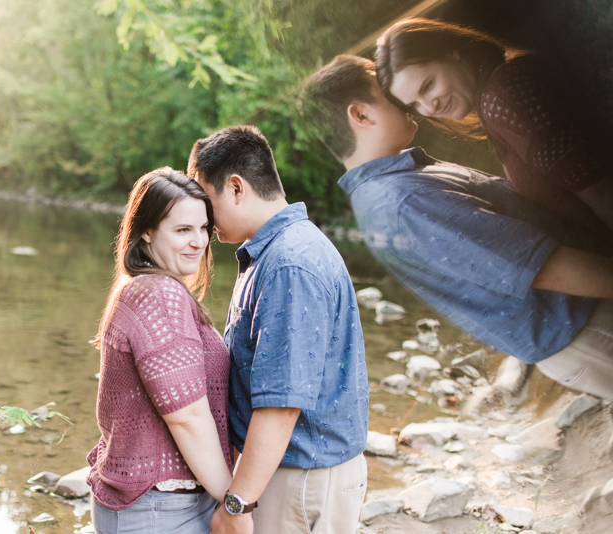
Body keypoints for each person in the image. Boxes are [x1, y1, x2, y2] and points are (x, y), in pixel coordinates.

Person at [300, 54, 613, 401]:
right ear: (361, 114)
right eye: (389, 93)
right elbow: (540, 267)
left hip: (582, 315)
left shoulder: (398, 181)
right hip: (585, 325)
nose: (409, 102)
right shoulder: (403, 201)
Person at [186, 125, 369, 534]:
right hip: (296, 472)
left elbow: (281, 404)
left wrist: (237, 505)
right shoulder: (276, 251)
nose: (201, 217)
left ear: (236, 188)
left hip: (300, 479)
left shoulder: (289, 264)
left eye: (205, 200)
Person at [86, 167, 233, 534]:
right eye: (183, 230)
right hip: (161, 510)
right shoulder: (159, 294)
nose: (198, 241)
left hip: (156, 506)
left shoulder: (143, 287)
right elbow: (187, 417)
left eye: (203, 228)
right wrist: (234, 503)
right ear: (147, 231)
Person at [373, 18, 613, 238]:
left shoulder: (504, 96)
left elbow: (601, 191)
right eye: (414, 104)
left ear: (452, 52)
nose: (429, 107)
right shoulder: (502, 85)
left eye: (428, 85)